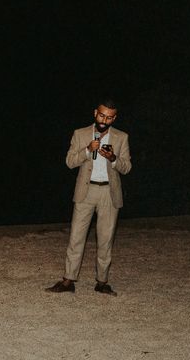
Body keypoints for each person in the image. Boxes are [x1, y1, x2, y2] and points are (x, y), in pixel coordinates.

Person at [46, 100, 132, 296]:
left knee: (106, 239)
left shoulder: (121, 137)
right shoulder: (80, 133)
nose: (105, 120)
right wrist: (87, 150)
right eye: (102, 115)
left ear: (114, 118)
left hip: (109, 193)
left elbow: (127, 168)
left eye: (109, 117)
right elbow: (69, 162)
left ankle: (102, 282)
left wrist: (113, 159)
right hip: (86, 191)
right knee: (76, 237)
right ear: (95, 113)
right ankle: (68, 280)